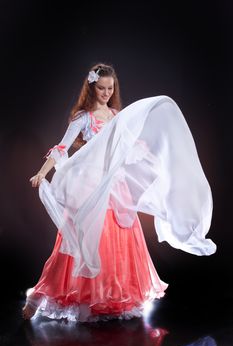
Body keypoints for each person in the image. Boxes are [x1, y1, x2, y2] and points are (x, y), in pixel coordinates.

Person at [22, 63, 169, 322]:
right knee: (76, 241)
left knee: (119, 241)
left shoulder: (116, 115)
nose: (105, 93)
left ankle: (110, 295)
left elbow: (126, 147)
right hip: (90, 186)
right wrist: (42, 172)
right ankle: (39, 296)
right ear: (92, 88)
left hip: (115, 185)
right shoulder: (83, 117)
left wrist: (150, 154)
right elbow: (62, 146)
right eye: (101, 88)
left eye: (110, 88)